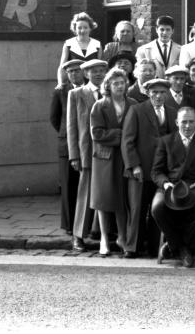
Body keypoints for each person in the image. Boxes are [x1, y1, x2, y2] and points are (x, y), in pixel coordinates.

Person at [151, 107, 195, 268]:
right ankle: (181, 247)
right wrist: (166, 184)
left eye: (191, 122)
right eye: (183, 122)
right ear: (176, 122)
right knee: (157, 207)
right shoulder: (165, 141)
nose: (187, 126)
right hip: (171, 187)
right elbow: (156, 171)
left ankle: (172, 245)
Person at [121, 79, 178, 258]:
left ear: (167, 94)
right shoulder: (137, 110)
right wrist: (134, 165)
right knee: (138, 208)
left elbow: (175, 141)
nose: (158, 96)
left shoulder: (172, 112)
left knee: (158, 208)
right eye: (154, 92)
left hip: (162, 171)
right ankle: (132, 247)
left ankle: (154, 247)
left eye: (162, 92)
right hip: (141, 168)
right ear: (147, 93)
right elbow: (127, 140)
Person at [90, 68, 137, 256]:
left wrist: (126, 140)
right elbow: (97, 133)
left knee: (122, 198)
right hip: (105, 158)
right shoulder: (100, 106)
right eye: (115, 83)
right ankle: (103, 238)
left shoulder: (132, 104)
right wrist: (121, 135)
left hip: (125, 157)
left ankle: (122, 237)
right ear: (107, 85)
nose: (119, 86)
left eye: (122, 82)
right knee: (103, 199)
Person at [67, 59, 108, 252]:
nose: (98, 74)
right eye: (94, 71)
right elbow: (72, 127)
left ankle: (103, 234)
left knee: (106, 193)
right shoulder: (76, 94)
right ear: (86, 74)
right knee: (85, 194)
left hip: (108, 153)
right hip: (86, 152)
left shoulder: (110, 92)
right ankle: (78, 236)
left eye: (101, 71)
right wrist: (74, 155)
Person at [49, 59, 85, 234]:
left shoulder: (89, 89)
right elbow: (54, 118)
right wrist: (67, 135)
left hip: (86, 144)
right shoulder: (61, 91)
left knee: (84, 185)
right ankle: (70, 225)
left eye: (77, 71)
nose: (74, 74)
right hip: (66, 146)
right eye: (70, 72)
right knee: (68, 185)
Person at [57, 12, 102, 86]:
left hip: (92, 83)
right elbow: (62, 66)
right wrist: (60, 83)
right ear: (75, 29)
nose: (82, 30)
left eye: (85, 27)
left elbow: (100, 67)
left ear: (90, 28)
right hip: (74, 83)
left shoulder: (97, 44)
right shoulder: (68, 44)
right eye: (79, 28)